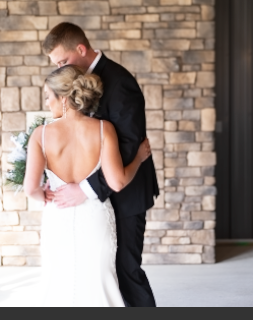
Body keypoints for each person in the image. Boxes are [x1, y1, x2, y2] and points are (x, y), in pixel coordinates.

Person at [40, 22, 160, 307]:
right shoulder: (76, 83)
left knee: (126, 271)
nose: (60, 69)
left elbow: (130, 145)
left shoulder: (120, 82)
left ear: (81, 49)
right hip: (95, 204)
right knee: (96, 274)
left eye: (63, 61)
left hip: (125, 195)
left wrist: (85, 189)